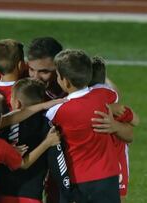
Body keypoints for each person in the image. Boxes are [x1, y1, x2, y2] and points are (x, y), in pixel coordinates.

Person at [46, 49, 136, 202]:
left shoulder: (57, 112)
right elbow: (114, 94)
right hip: (108, 177)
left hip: (78, 180)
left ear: (65, 81)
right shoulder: (104, 96)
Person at [0, 78, 73, 203]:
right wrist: (68, 193)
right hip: (30, 196)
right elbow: (58, 167)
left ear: (17, 103)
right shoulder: (48, 127)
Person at [89, 56, 139, 203]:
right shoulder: (112, 99)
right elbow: (136, 120)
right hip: (115, 158)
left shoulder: (89, 100)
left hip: (108, 158)